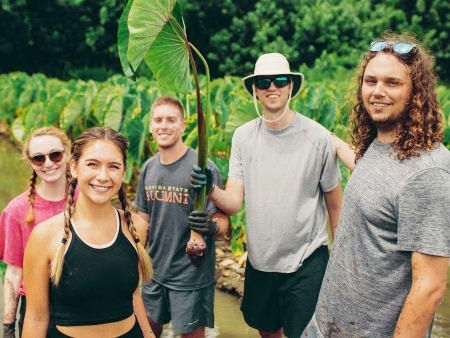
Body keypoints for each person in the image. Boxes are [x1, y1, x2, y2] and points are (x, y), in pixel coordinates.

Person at [302, 32, 450, 338]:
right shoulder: (378, 145)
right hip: (325, 326)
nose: (377, 91)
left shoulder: (428, 173)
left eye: (392, 83)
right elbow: (373, 181)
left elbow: (430, 287)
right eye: (371, 81)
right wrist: (324, 136)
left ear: (416, 91)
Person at [190, 53, 343, 338]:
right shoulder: (243, 137)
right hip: (261, 260)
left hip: (306, 259)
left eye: (280, 80)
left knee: (306, 333)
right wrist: (211, 188)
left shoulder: (318, 137)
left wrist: (340, 262)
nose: (272, 87)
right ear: (255, 91)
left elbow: (335, 205)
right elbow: (234, 203)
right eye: (263, 82)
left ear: (290, 87)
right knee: (267, 332)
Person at [22, 126, 155, 338]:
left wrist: (149, 334)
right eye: (92, 164)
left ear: (123, 172)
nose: (103, 176)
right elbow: (36, 317)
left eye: (113, 166)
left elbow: (133, 294)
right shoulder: (44, 236)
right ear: (74, 168)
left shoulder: (136, 227)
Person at [134, 96, 229, 338]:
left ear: (183, 125)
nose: (163, 126)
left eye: (171, 120)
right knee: (148, 331)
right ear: (150, 125)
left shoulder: (202, 168)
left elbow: (223, 223)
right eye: (158, 120)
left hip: (190, 274)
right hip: (154, 270)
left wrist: (210, 227)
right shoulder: (148, 167)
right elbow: (142, 220)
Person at [0, 126, 72, 338]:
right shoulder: (17, 210)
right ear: (31, 162)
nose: (48, 163)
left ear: (67, 154)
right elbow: (13, 273)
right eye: (39, 158)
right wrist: (8, 327)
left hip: (81, 301)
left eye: (55, 155)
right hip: (35, 307)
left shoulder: (85, 199)